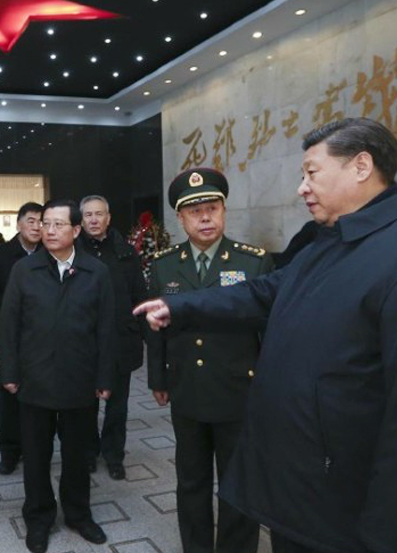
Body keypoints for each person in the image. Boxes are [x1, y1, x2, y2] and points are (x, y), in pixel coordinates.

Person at [135, 118, 397, 553]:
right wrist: (180, 306)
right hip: (302, 495)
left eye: (311, 172)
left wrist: (391, 531)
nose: (301, 188)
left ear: (361, 166)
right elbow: (264, 293)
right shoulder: (332, 244)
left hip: (351, 514)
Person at [144, 168, 272, 553]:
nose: (205, 217)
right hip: (187, 389)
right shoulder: (164, 264)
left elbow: (268, 332)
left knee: (238, 482)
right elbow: (156, 329)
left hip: (239, 390)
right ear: (180, 218)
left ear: (224, 211)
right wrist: (158, 378)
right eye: (195, 211)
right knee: (191, 480)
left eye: (212, 208)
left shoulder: (253, 262)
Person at [0, 199, 117, 553]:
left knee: (78, 456)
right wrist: (9, 372)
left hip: (80, 380)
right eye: (45, 223)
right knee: (36, 456)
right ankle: (39, 517)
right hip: (35, 380)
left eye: (58, 224)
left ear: (76, 230)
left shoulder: (96, 272)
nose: (48, 231)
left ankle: (78, 514)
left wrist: (105, 378)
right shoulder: (24, 270)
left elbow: (106, 329)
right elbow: (9, 325)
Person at [76, 194, 148, 480]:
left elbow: (139, 296)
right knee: (85, 404)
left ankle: (114, 455)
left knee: (117, 405)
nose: (94, 220)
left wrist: (143, 334)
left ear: (108, 218)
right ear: (81, 220)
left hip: (120, 341)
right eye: (88, 215)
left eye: (99, 214)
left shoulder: (126, 252)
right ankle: (88, 452)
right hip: (84, 343)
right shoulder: (72, 251)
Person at [0, 201, 43, 475]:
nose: (37, 227)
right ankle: (9, 452)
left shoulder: (49, 253)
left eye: (41, 222)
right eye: (31, 221)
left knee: (38, 396)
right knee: (9, 396)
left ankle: (34, 448)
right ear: (18, 224)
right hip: (10, 339)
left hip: (41, 339)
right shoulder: (1, 256)